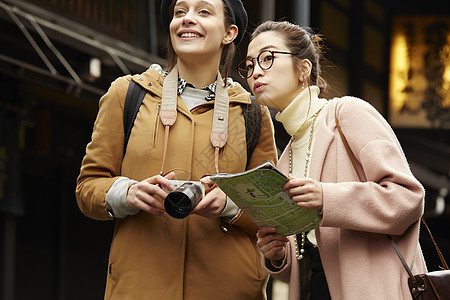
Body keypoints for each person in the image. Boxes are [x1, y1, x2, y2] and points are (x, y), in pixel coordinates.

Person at [75, 1, 278, 299]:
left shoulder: (253, 113)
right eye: (180, 12)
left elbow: (272, 211)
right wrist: (127, 193)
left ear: (229, 33)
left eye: (203, 12)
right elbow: (87, 187)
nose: (187, 19)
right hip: (140, 289)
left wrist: (229, 204)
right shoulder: (127, 93)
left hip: (230, 289)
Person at [238, 20, 427, 299]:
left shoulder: (347, 113)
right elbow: (308, 254)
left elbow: (407, 198)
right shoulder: (285, 157)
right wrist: (278, 255)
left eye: (268, 58)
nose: (255, 72)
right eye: (250, 64)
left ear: (304, 68)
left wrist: (327, 197)